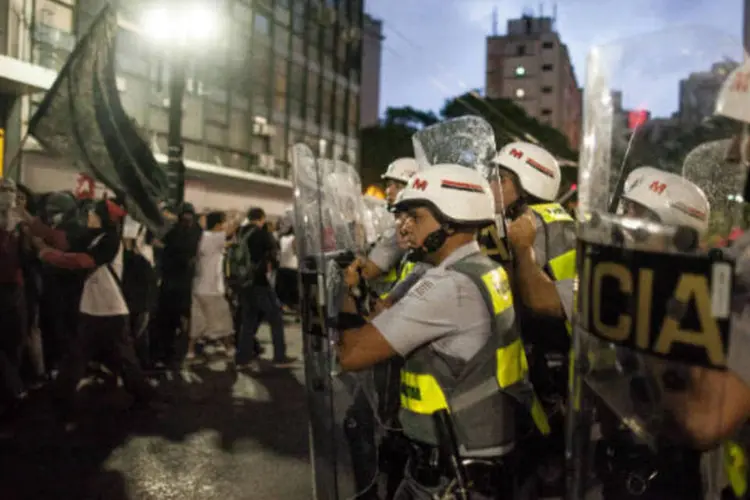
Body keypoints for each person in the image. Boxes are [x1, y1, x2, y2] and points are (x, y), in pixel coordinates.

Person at [339, 164, 549, 499]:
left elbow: (351, 354)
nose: (403, 227)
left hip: (451, 475)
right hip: (476, 457)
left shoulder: (450, 285)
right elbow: (391, 318)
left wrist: (345, 294)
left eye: (415, 217)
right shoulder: (483, 269)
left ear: (451, 220)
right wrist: (362, 290)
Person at [22, 199, 163, 424]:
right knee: (80, 355)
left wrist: (44, 253)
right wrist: (26, 218)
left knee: (117, 358)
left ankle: (144, 395)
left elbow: (80, 261)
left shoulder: (110, 239)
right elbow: (62, 240)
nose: (88, 216)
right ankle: (62, 396)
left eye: (93, 213)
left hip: (110, 309)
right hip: (93, 307)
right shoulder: (93, 236)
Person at [235, 207, 296, 369]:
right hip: (259, 281)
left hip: (244, 281)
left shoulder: (240, 233)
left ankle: (242, 357)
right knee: (275, 317)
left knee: (248, 320)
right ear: (261, 218)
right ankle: (280, 355)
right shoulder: (261, 234)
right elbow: (273, 254)